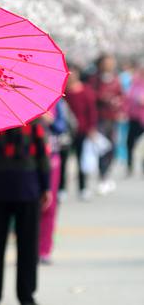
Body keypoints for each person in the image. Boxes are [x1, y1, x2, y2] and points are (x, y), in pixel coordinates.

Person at [0, 120, 52, 305]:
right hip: (27, 186)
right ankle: (26, 296)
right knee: (28, 244)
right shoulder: (32, 120)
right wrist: (46, 185)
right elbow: (43, 153)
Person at [88, 54, 127, 194]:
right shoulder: (95, 79)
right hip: (100, 118)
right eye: (107, 62)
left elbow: (122, 96)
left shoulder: (116, 79)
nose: (109, 65)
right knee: (102, 147)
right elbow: (91, 95)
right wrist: (104, 98)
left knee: (113, 147)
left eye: (111, 62)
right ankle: (102, 175)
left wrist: (119, 104)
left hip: (113, 118)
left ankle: (106, 173)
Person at [39, 100, 68, 263]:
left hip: (52, 158)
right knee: (30, 205)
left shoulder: (57, 102)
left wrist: (52, 121)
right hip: (31, 160)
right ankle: (30, 247)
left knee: (50, 205)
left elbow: (62, 127)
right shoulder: (22, 99)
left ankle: (45, 249)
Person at [64, 65, 97, 200]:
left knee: (81, 159)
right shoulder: (64, 92)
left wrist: (91, 128)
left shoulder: (86, 91)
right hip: (66, 132)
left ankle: (83, 187)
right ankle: (62, 188)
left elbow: (92, 111)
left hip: (82, 130)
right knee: (64, 160)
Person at [126, 60, 144, 176]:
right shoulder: (135, 82)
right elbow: (128, 97)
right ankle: (129, 165)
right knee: (130, 142)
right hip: (133, 117)